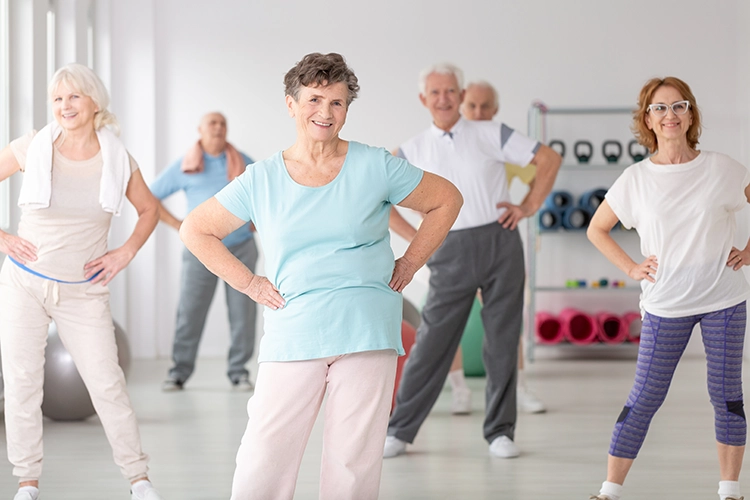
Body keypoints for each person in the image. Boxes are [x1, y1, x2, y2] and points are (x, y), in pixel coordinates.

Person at [179, 52, 462, 500]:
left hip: (366, 327)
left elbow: (446, 199)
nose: (325, 113)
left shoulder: (375, 165)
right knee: (262, 460)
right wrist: (249, 283)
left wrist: (410, 263)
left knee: (353, 466)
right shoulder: (262, 178)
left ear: (347, 108)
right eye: (314, 100)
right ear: (291, 104)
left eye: (337, 102)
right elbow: (196, 228)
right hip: (294, 327)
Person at [0, 63, 163, 500]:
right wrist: (3, 239)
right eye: (57, 98)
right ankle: (27, 482)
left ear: (94, 101)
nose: (64, 106)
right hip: (24, 283)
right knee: (21, 384)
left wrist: (124, 252)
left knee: (107, 383)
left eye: (73, 96)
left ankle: (139, 479)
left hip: (83, 289)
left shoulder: (117, 158)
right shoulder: (32, 146)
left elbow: (150, 210)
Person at [385, 63, 561, 460]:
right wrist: (420, 241)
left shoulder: (489, 132)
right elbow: (381, 202)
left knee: (502, 340)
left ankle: (500, 432)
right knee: (432, 343)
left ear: (461, 94)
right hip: (449, 250)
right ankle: (399, 431)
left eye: (451, 91)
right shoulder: (411, 150)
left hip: (500, 243)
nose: (444, 98)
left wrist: (529, 205)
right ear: (423, 100)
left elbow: (548, 159)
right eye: (436, 92)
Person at [586, 76, 749, 500]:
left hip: (724, 299)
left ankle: (730, 491)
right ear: (648, 119)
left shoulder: (722, 167)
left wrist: (748, 252)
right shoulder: (635, 179)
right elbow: (597, 229)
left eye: (679, 106)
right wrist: (632, 267)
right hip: (665, 303)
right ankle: (608, 491)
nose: (670, 115)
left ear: (690, 113)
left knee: (727, 396)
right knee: (644, 397)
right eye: (660, 108)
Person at [456, 80, 547, 415]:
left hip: (495, 242)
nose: (478, 113)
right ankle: (459, 390)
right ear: (462, 107)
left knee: (508, 320)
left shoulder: (502, 144)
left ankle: (519, 388)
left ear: (494, 110)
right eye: (472, 106)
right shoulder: (447, 142)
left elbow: (542, 167)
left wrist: (525, 206)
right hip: (452, 244)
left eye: (485, 107)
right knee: (451, 322)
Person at [150, 112, 257, 392]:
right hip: (200, 251)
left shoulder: (244, 162)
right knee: (190, 310)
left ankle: (239, 372)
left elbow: (268, 194)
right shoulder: (186, 165)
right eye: (213, 123)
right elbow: (149, 196)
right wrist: (179, 225)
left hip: (241, 248)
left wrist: (257, 223)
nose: (219, 127)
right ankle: (178, 372)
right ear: (200, 130)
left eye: (223, 123)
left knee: (242, 312)